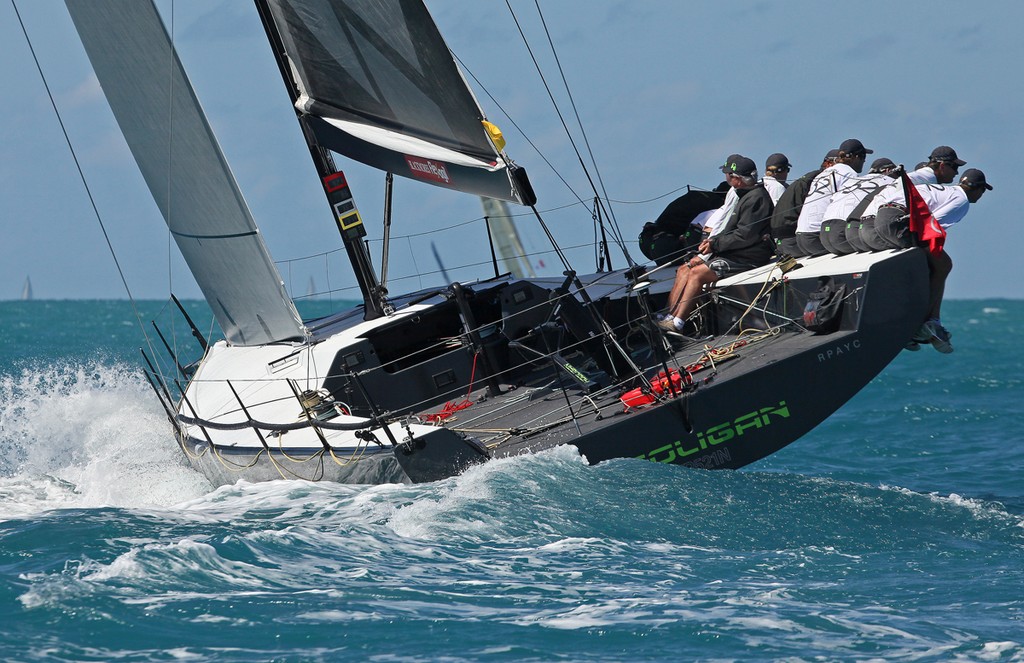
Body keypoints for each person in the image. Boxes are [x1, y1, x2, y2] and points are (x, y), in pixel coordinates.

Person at [870, 169, 992, 352]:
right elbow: (932, 224)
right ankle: (924, 320)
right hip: (896, 221)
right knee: (943, 264)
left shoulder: (944, 190)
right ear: (976, 188)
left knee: (935, 262)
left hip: (882, 218)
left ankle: (927, 319)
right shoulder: (961, 201)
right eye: (983, 191)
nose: (981, 196)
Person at [659, 156, 775, 331]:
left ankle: (677, 323)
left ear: (736, 178)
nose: (726, 178)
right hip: (734, 251)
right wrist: (711, 242)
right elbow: (730, 228)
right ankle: (670, 315)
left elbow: (745, 235)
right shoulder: (743, 195)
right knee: (686, 268)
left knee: (697, 274)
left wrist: (715, 245)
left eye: (727, 174)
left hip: (749, 256)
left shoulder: (756, 198)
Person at [793, 139, 872, 256]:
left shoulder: (823, 173)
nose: (864, 161)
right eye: (863, 157)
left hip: (801, 238)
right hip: (817, 237)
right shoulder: (849, 173)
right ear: (856, 157)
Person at [820, 157, 898, 254]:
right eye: (896, 174)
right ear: (888, 170)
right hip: (846, 232)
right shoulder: (889, 180)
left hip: (823, 235)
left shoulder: (853, 180)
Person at [770, 149, 839, 255]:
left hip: (783, 242)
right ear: (830, 163)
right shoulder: (822, 180)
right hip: (793, 241)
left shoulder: (810, 177)